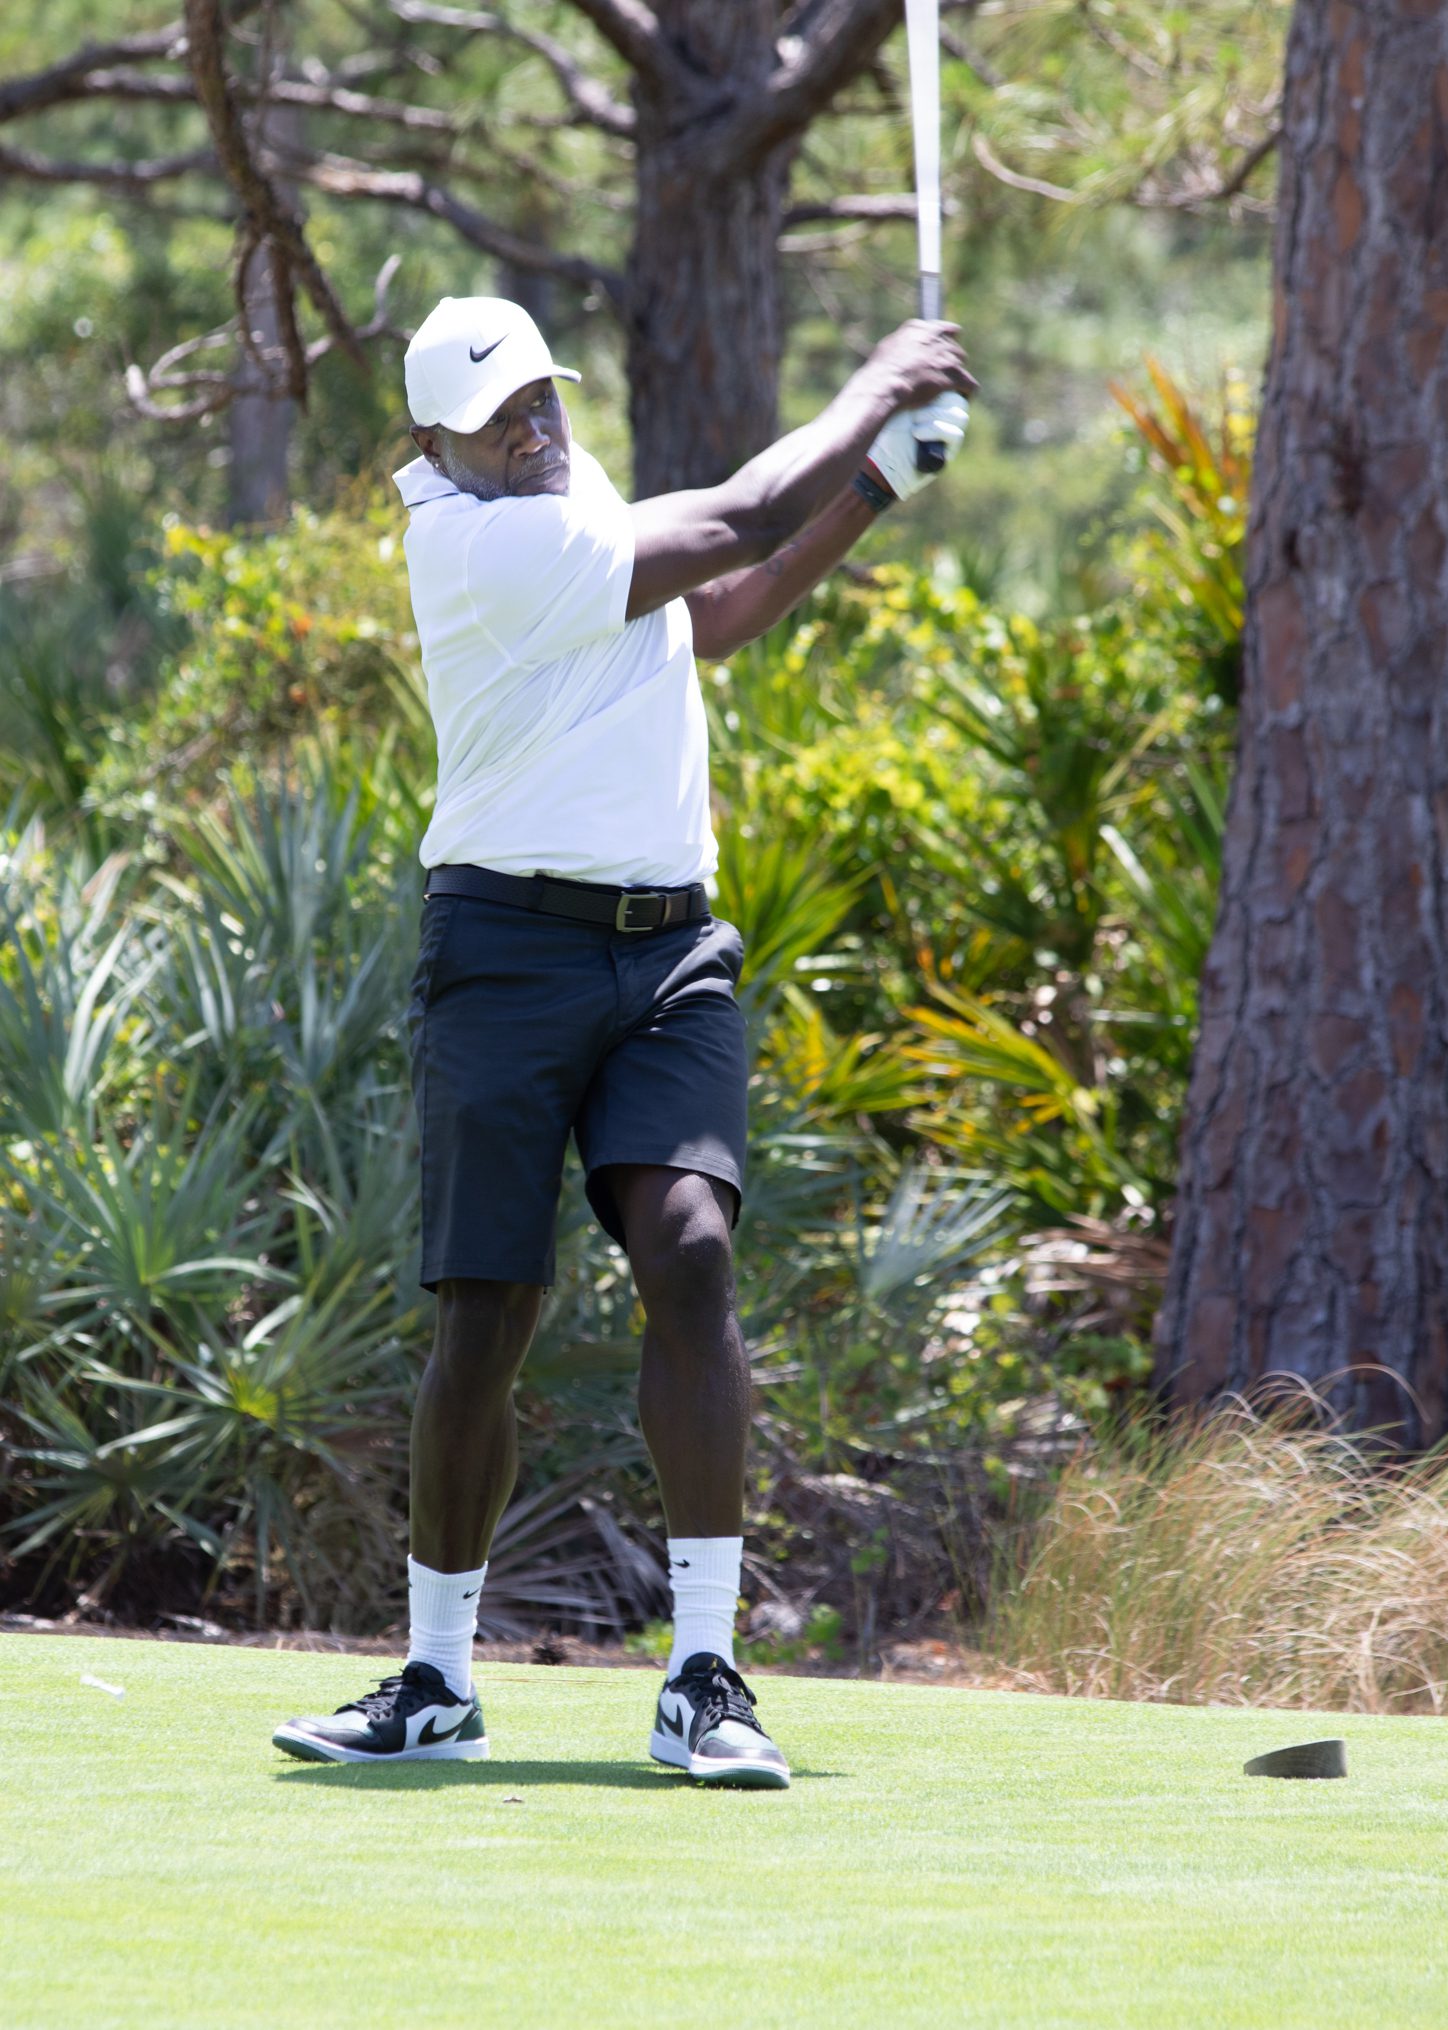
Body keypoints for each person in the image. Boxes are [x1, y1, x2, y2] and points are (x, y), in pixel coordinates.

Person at [270, 295, 975, 1786]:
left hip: (669, 953)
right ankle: (437, 1679)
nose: (534, 430)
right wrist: (875, 381)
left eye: (544, 399)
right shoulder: (477, 549)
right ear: (434, 447)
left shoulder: (563, 489)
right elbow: (739, 517)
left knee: (693, 1249)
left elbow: (712, 614)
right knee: (487, 1317)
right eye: (500, 420)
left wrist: (874, 487)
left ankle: (703, 1674)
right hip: (503, 951)